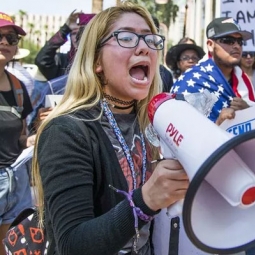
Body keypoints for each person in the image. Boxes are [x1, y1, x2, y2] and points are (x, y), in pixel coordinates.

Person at [31, 3, 188, 255]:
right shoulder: (66, 131)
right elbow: (72, 244)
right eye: (126, 37)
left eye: (150, 38)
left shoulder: (154, 124)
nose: (143, 47)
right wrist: (147, 199)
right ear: (96, 61)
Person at [171, 17, 255, 255]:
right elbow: (180, 137)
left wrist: (248, 111)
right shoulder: (192, 82)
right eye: (227, 40)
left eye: (239, 41)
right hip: (209, 183)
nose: (236, 46)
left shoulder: (243, 81)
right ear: (210, 45)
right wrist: (218, 122)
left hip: (247, 171)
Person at [0, 12, 34, 255]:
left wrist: (33, 138)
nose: (4, 43)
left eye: (11, 38)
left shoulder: (19, 87)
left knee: (10, 249)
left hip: (17, 180)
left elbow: (21, 137)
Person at [34, 10, 94, 80]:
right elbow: (42, 60)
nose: (77, 37)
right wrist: (66, 28)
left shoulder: (100, 62)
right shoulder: (62, 61)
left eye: (82, 32)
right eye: (74, 33)